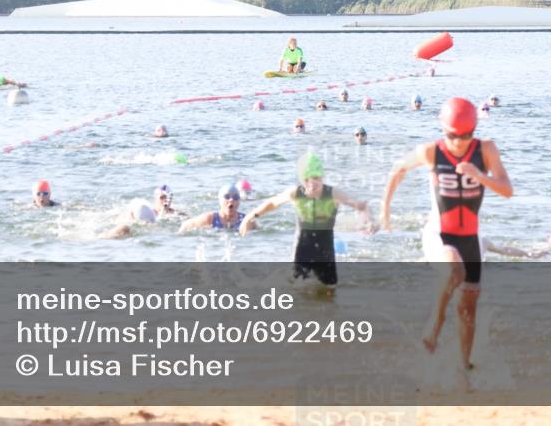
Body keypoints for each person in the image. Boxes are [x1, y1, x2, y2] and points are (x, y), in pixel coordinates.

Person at [381, 97, 512, 370]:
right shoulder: (431, 151)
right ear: (443, 130)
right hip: (439, 234)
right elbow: (398, 169)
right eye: (453, 136)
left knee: (468, 308)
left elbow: (507, 190)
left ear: (474, 130)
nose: (459, 142)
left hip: (470, 238)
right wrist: (385, 210)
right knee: (454, 269)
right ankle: (436, 322)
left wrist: (480, 175)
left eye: (466, 136)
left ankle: (464, 367)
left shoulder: (486, 150)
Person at [239, 152, 375, 287]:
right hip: (302, 250)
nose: (312, 183)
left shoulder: (333, 194)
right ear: (302, 179)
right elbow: (273, 203)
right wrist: (250, 216)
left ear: (322, 176)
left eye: (316, 178)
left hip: (325, 252)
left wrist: (369, 220)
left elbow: (361, 205)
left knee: (329, 290)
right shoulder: (295, 193)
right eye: (306, 179)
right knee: (297, 289)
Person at [179, 184, 256, 233]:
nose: (231, 200)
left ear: (239, 201)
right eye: (227, 197)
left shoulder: (246, 220)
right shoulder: (209, 219)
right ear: (220, 200)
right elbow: (185, 225)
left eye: (235, 197)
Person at [480, 230, 551, 258]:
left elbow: (504, 250)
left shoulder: (482, 241)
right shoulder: (482, 240)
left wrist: (528, 254)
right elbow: (503, 250)